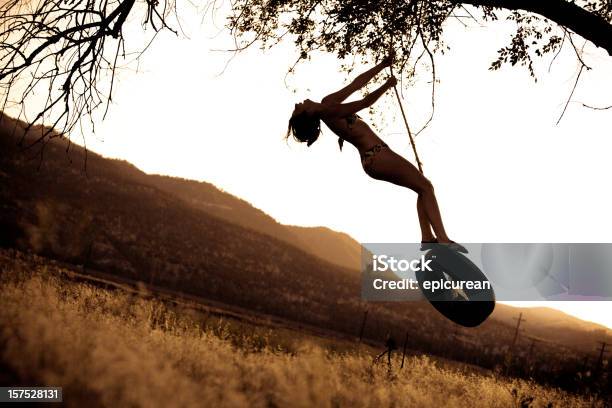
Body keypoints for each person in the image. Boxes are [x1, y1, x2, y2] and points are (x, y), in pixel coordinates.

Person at [287, 54, 467, 252]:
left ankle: (428, 238)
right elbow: (364, 102)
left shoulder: (328, 102)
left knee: (421, 187)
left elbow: (356, 84)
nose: (296, 105)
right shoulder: (328, 111)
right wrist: (387, 85)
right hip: (377, 155)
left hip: (374, 159)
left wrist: (382, 65)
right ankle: (442, 239)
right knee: (426, 187)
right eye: (296, 110)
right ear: (307, 115)